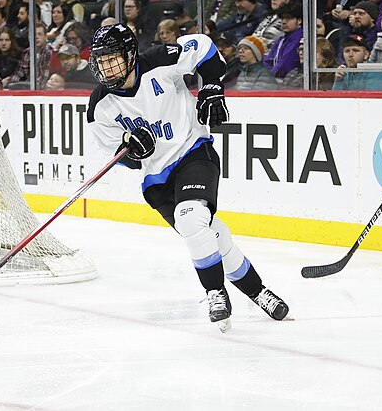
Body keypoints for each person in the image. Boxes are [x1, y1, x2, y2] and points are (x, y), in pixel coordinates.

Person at [87, 24, 289, 331]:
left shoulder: (160, 61)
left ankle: (215, 292)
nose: (106, 67)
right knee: (213, 235)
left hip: (193, 151)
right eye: (101, 61)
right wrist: (133, 150)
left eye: (112, 58)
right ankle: (258, 291)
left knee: (191, 217)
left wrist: (211, 86)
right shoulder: (100, 104)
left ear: (130, 55)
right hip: (157, 180)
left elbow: (205, 47)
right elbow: (118, 156)